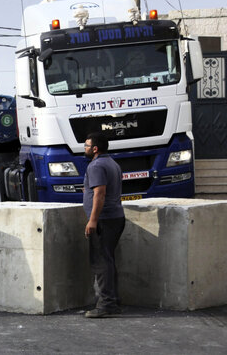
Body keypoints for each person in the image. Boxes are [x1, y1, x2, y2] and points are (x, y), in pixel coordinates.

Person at [82, 132, 125, 318]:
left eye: (86, 145)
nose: (84, 148)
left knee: (101, 262)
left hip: (104, 220)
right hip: (115, 217)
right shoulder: (112, 163)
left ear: (95, 148)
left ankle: (106, 305)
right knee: (108, 260)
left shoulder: (97, 165)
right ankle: (111, 302)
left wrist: (92, 220)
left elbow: (100, 193)